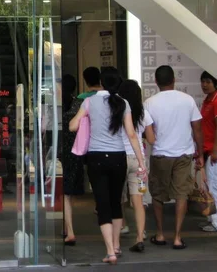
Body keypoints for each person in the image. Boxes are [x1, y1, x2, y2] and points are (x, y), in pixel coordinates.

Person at [70, 67, 147, 265]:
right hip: (118, 158)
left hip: (96, 158)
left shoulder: (89, 101)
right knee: (115, 203)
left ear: (102, 82)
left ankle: (110, 251)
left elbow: (73, 126)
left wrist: (84, 119)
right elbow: (131, 134)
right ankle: (117, 244)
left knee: (102, 203)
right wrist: (141, 161)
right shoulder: (124, 103)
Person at [145, 65, 204, 250]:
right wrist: (200, 153)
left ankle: (161, 234)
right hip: (184, 154)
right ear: (174, 80)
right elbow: (197, 129)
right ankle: (178, 237)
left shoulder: (149, 103)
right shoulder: (187, 100)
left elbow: (148, 132)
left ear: (156, 81)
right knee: (181, 195)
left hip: (160, 154)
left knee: (157, 195)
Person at [60, 68, 101, 246]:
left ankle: (69, 230)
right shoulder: (81, 103)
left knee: (67, 193)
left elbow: (70, 127)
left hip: (70, 151)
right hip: (89, 150)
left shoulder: (76, 102)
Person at [118, 80, 156, 252]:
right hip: (138, 159)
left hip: (118, 157)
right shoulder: (144, 113)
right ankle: (140, 236)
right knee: (138, 201)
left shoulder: (117, 111)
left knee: (117, 198)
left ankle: (122, 226)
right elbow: (151, 139)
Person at [199, 71, 217, 232]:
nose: (204, 84)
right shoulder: (208, 100)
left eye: (208, 81)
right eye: (203, 81)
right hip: (208, 150)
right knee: (209, 187)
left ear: (216, 83)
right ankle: (212, 218)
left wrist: (215, 151)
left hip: (216, 152)